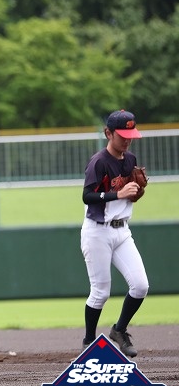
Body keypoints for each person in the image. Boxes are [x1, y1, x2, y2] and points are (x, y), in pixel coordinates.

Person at [80, 110, 149, 357]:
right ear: (108, 133)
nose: (127, 140)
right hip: (97, 232)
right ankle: (88, 343)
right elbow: (87, 196)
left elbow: (127, 195)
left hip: (122, 231)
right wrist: (118, 194)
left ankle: (119, 330)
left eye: (131, 135)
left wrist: (135, 192)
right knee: (100, 292)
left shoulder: (130, 159)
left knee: (140, 286)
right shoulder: (98, 162)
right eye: (122, 135)